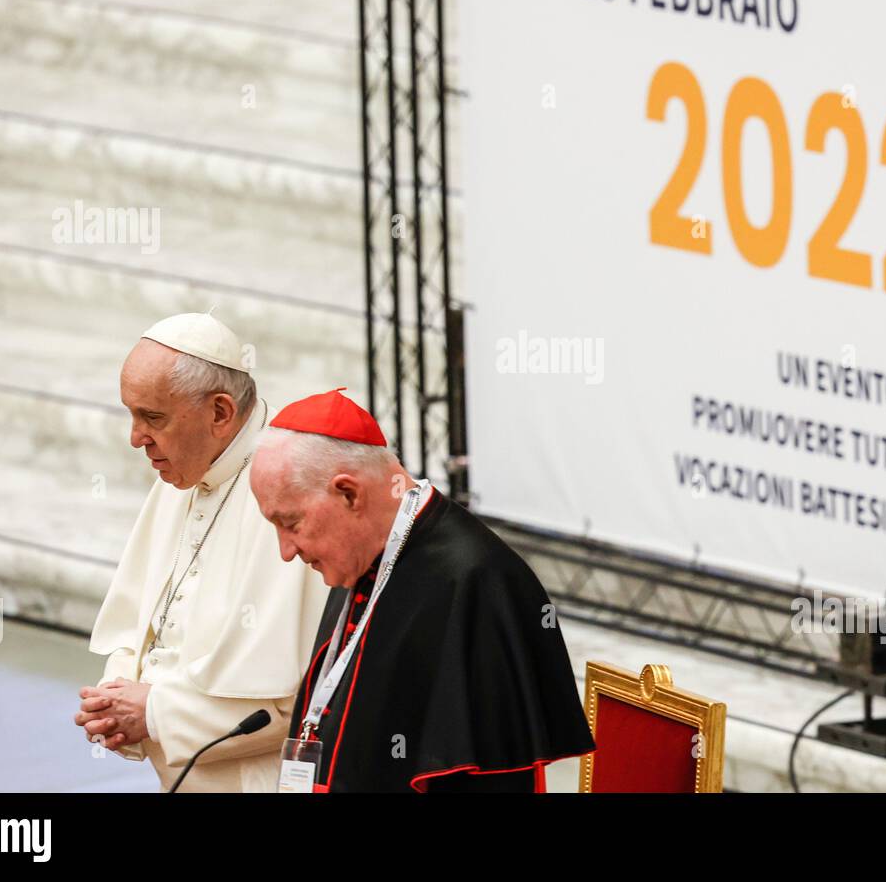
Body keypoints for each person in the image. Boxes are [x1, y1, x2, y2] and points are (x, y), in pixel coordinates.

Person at [249, 388, 594, 792]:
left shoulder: (478, 584)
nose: (286, 551)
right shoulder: (364, 552)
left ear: (349, 493)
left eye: (290, 524)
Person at [75, 311, 328, 791]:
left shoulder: (290, 493)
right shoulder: (184, 469)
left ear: (219, 412)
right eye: (131, 414)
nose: (136, 439)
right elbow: (138, 629)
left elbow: (290, 704)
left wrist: (151, 713)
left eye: (153, 418)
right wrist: (115, 699)